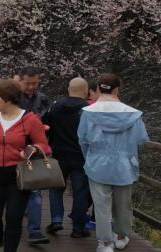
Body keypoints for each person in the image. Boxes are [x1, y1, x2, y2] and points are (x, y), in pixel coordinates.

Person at [0, 80, 49, 252]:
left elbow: (43, 144)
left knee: (14, 217)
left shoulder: (30, 119)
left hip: (19, 174)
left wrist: (31, 150)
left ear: (8, 99)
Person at [78, 73, 149, 252]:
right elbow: (140, 140)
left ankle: (105, 243)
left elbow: (83, 139)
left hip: (96, 162)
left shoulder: (88, 113)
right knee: (123, 204)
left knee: (101, 206)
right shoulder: (132, 114)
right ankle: (122, 236)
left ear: (99, 88)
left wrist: (89, 157)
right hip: (124, 162)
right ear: (117, 88)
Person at [42, 77, 91, 238]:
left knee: (56, 189)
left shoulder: (55, 106)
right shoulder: (87, 109)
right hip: (80, 156)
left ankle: (56, 220)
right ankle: (78, 227)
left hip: (58, 154)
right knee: (80, 192)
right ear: (85, 91)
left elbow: (44, 126)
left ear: (69, 89)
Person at [17, 67, 50, 244]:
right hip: (14, 149)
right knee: (13, 190)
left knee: (35, 191)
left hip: (35, 150)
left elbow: (48, 120)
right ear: (19, 81)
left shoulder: (43, 98)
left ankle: (35, 230)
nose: (31, 87)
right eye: (28, 83)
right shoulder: (12, 98)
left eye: (35, 83)